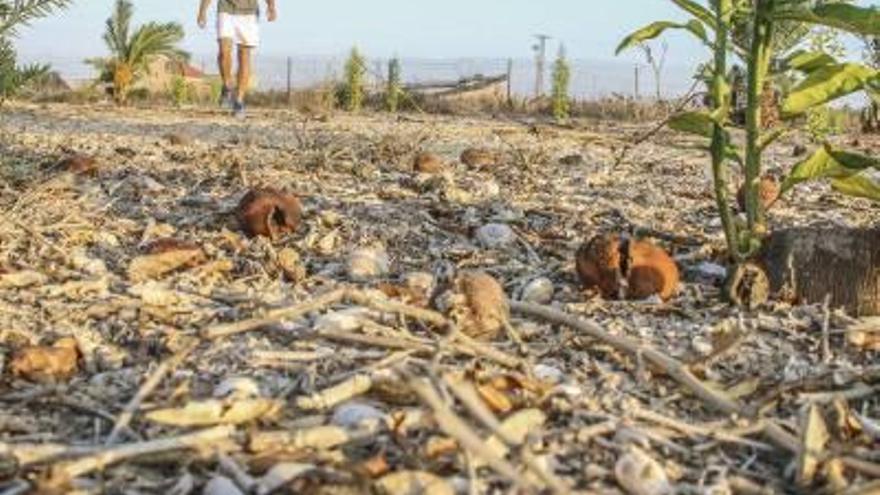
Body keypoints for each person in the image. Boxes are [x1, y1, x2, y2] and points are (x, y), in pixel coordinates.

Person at [198, 0, 277, 118]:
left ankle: (239, 101)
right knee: (224, 52)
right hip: (226, 9)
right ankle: (227, 85)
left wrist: (271, 6)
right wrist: (202, 10)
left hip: (249, 14)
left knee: (244, 56)